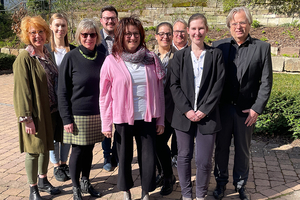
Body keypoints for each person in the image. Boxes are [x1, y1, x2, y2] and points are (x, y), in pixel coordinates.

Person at [100, 16, 165, 200]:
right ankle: (126, 190)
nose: (132, 37)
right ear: (121, 36)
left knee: (148, 158)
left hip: (147, 117)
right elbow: (104, 96)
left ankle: (145, 191)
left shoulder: (151, 59)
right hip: (122, 119)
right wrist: (106, 123)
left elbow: (159, 91)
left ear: (141, 35)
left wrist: (160, 119)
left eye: (136, 33)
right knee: (124, 156)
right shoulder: (111, 61)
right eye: (128, 34)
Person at [212, 7, 273, 200]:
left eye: (242, 22)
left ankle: (240, 185)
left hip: (246, 111)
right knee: (221, 149)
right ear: (229, 25)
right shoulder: (218, 46)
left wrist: (257, 108)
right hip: (221, 109)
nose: (238, 26)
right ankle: (220, 183)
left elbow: (267, 81)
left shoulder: (262, 48)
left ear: (249, 24)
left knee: (243, 150)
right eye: (234, 23)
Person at [170, 13, 225, 200]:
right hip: (183, 116)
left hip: (207, 116)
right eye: (193, 28)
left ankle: (200, 195)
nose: (197, 32)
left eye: (201, 28)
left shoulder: (216, 55)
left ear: (206, 29)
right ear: (188, 31)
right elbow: (174, 85)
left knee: (203, 160)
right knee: (184, 157)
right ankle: (186, 195)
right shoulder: (179, 57)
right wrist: (187, 110)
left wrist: (204, 110)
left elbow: (218, 85)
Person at [13, 15, 61, 200]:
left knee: (45, 147)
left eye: (41, 31)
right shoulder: (24, 57)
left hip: (50, 111)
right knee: (33, 151)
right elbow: (21, 91)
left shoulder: (46, 53)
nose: (38, 35)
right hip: (35, 114)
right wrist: (27, 118)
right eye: (33, 32)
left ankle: (43, 180)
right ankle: (33, 189)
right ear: (27, 35)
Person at [58, 18, 105, 200]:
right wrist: (66, 118)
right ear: (79, 36)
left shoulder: (102, 58)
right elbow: (62, 90)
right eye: (84, 34)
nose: (88, 38)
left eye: (92, 34)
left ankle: (86, 181)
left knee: (89, 149)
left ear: (97, 36)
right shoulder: (71, 57)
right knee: (77, 151)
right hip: (76, 115)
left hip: (96, 113)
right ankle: (76, 186)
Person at [45, 13, 75, 182]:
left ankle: (64, 163)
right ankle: (56, 165)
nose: (60, 29)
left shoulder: (74, 50)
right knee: (54, 135)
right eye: (57, 25)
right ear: (51, 27)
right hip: (50, 101)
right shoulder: (46, 51)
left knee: (67, 133)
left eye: (63, 25)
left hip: (69, 101)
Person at [153, 22, 176, 196]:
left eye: (168, 34)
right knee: (154, 144)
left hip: (172, 109)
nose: (165, 37)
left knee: (160, 144)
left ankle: (168, 176)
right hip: (153, 109)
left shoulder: (180, 56)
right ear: (156, 36)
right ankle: (162, 173)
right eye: (161, 34)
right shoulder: (150, 57)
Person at [98, 5, 119, 172]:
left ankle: (116, 155)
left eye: (112, 18)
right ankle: (106, 155)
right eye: (107, 18)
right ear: (101, 21)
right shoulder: (94, 38)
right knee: (106, 123)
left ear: (117, 20)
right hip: (102, 87)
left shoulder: (124, 37)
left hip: (120, 88)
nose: (110, 21)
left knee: (120, 123)